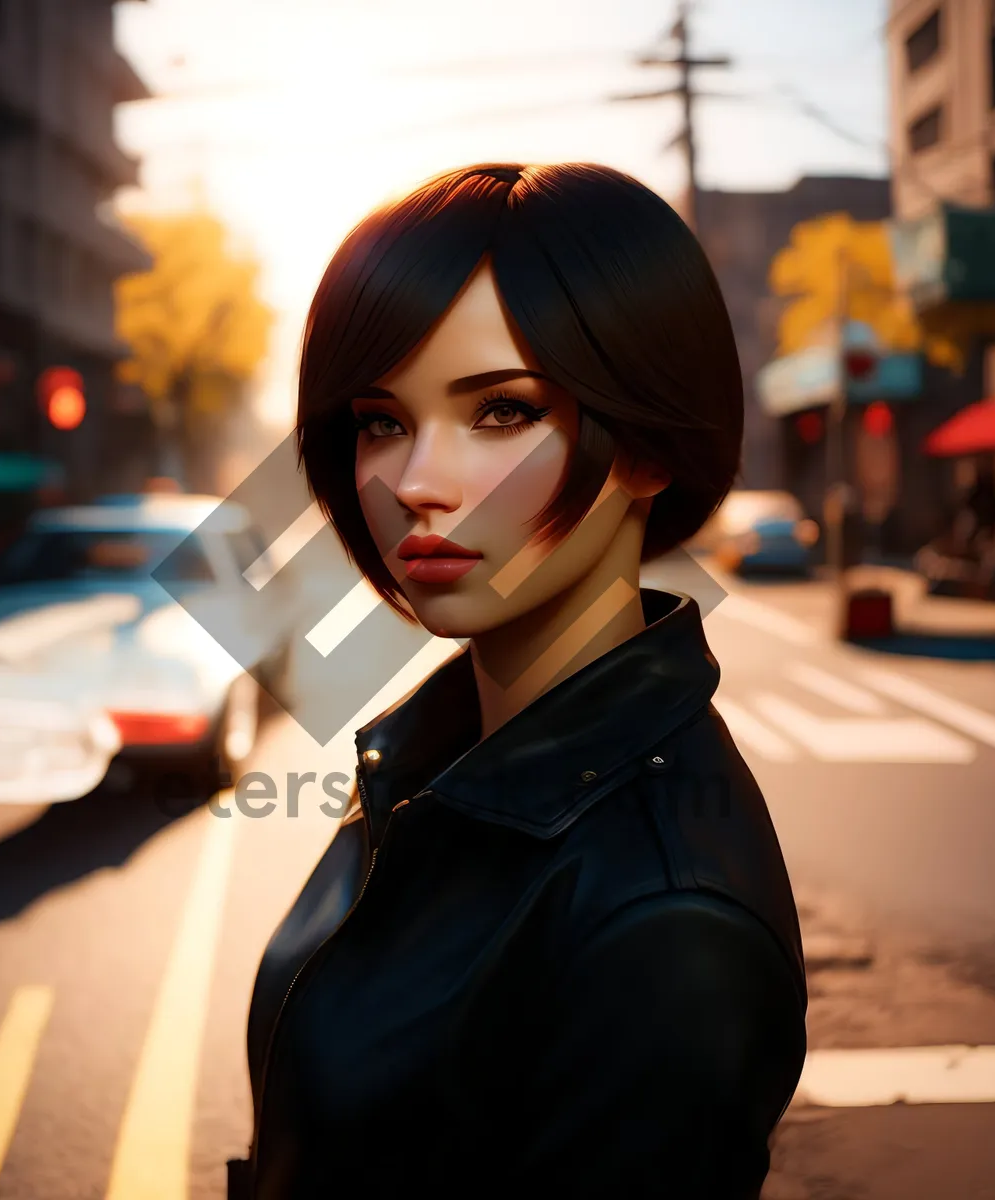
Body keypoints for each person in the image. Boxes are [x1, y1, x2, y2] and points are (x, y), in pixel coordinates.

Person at [230, 163, 808, 1199]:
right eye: (379, 419)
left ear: (646, 444)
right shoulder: (438, 754)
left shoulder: (666, 924)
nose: (414, 483)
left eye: (500, 410)